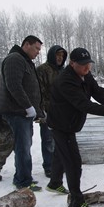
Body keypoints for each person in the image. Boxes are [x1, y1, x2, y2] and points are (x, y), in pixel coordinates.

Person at [46, 47, 104, 207]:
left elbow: (98, 92)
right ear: (72, 63)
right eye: (83, 65)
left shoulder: (84, 74)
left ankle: (54, 183)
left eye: (89, 64)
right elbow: (84, 104)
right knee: (73, 162)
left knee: (61, 155)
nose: (87, 68)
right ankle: (77, 200)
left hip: (70, 123)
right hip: (62, 126)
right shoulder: (65, 81)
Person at [0, 35, 44, 191]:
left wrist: (36, 109)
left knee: (25, 145)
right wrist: (27, 107)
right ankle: (23, 181)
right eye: (36, 48)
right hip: (16, 112)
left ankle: (24, 177)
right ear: (26, 44)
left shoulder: (25, 61)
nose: (38, 52)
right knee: (22, 147)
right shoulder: (15, 59)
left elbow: (31, 88)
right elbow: (14, 85)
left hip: (23, 113)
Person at [36, 45, 68, 179]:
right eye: (57, 55)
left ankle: (60, 164)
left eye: (62, 56)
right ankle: (49, 166)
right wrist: (43, 109)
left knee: (62, 139)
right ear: (51, 55)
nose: (60, 58)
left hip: (63, 111)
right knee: (48, 139)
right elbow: (38, 91)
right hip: (48, 110)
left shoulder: (64, 71)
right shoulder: (42, 70)